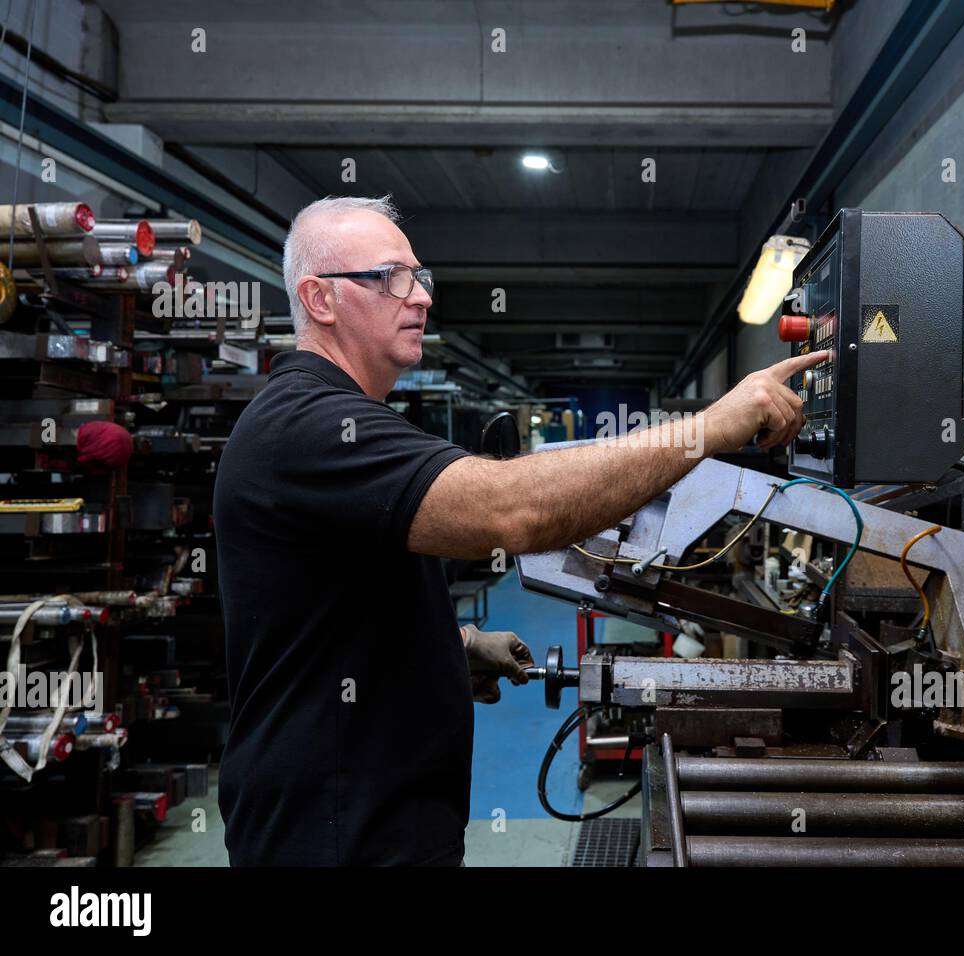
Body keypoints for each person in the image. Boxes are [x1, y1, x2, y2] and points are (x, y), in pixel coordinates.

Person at [213, 195, 826, 865]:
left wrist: (451, 648)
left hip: (374, 820)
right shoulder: (308, 427)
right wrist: (707, 429)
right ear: (319, 299)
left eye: (422, 278)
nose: (419, 298)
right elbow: (513, 513)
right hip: (331, 836)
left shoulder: (341, 422)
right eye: (390, 277)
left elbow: (331, 609)